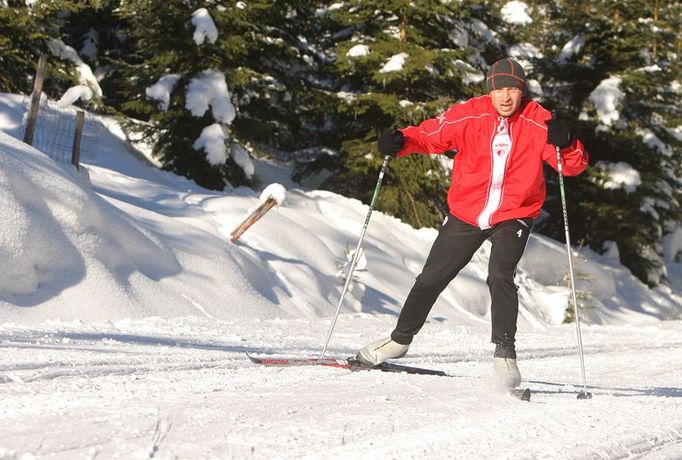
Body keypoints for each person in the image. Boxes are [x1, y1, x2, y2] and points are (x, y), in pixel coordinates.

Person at [356, 58, 589, 388]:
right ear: (489, 91)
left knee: (500, 274)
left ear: (522, 92)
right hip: (467, 212)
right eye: (499, 90)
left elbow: (573, 167)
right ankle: (399, 341)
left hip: (515, 213)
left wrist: (567, 142)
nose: (506, 97)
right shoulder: (469, 114)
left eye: (513, 90)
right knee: (431, 278)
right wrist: (400, 141)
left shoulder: (540, 121)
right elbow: (429, 135)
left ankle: (505, 355)